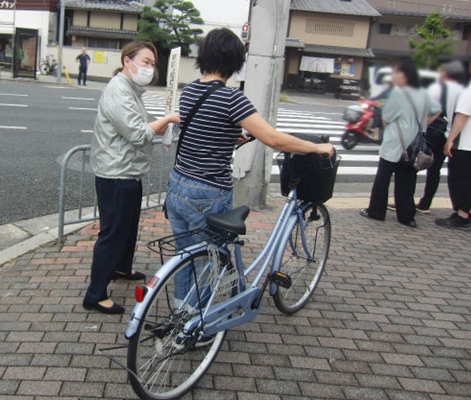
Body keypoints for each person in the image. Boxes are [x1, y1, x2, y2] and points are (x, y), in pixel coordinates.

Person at [164, 28, 334, 308]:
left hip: (178, 184)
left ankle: (183, 312)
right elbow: (273, 138)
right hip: (207, 193)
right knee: (207, 260)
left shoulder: (190, 90)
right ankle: (196, 324)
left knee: (186, 257)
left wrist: (231, 135)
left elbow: (202, 129)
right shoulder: (232, 99)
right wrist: (317, 147)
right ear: (235, 62)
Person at [83, 41, 180, 314]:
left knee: (127, 227)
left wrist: (163, 128)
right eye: (145, 62)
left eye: (152, 63)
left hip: (127, 171)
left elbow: (143, 129)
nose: (150, 68)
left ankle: (121, 267)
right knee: (113, 233)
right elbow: (137, 133)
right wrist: (168, 120)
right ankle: (95, 294)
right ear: (128, 61)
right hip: (116, 173)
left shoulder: (130, 90)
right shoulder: (118, 91)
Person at [360, 59, 440, 227]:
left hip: (395, 142)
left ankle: (376, 211)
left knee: (383, 178)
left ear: (404, 75)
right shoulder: (423, 93)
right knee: (407, 181)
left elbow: (386, 117)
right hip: (415, 144)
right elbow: (437, 110)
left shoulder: (398, 93)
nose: (393, 76)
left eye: (396, 73)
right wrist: (423, 124)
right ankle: (407, 217)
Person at [435, 49, 471, 231]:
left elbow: (462, 115)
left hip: (467, 143)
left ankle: (462, 216)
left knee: (459, 180)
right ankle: (464, 212)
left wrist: (450, 139)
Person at [416, 60, 465, 214]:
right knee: (437, 170)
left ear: (444, 73)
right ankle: (427, 202)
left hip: (434, 133)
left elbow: (425, 109)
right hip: (455, 135)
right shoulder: (465, 89)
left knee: (414, 163)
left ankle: (405, 200)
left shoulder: (437, 88)